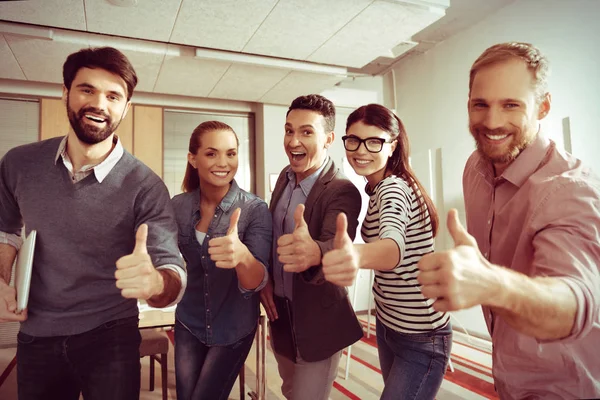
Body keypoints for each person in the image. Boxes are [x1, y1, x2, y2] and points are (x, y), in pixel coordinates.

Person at [0, 46, 185, 400]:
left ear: (126, 108)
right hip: (37, 330)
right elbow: (6, 228)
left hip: (110, 334)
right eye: (87, 89)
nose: (99, 103)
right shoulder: (19, 163)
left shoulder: (146, 185)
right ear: (66, 92)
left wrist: (155, 282)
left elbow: (172, 270)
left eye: (113, 95)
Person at [417, 42, 600, 399]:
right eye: (480, 104)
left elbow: (574, 304)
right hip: (505, 372)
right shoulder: (475, 167)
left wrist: (490, 284)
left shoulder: (569, 189)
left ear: (543, 106)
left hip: (567, 386)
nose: (492, 122)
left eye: (511, 105)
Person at [321, 103, 452, 399]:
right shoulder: (380, 187)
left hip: (420, 335)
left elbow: (392, 249)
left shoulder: (392, 189)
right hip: (391, 323)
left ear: (392, 146)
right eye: (353, 140)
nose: (361, 150)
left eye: (374, 141)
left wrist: (354, 255)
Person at [259, 94, 363, 400]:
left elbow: (334, 241)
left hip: (319, 321)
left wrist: (315, 252)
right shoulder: (284, 178)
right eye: (289, 130)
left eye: (306, 132)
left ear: (329, 138)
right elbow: (271, 232)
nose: (294, 141)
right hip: (281, 316)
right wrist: (266, 277)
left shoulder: (341, 189)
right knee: (291, 391)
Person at [171, 121, 272, 400]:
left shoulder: (254, 209)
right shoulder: (177, 206)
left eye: (231, 153)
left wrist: (242, 257)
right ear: (193, 159)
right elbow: (162, 256)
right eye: (211, 153)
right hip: (189, 321)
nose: (223, 162)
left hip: (233, 326)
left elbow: (256, 281)